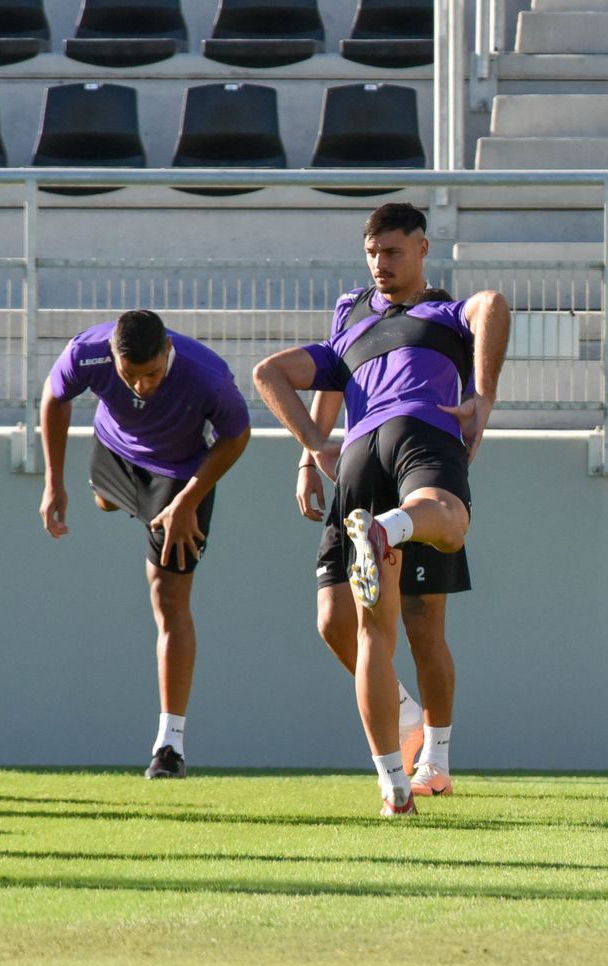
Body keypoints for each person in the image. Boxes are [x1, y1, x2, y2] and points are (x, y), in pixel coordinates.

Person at [254, 203, 511, 817]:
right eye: (372, 254)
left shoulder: (445, 313)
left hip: (408, 438)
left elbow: (493, 306)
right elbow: (298, 377)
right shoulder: (352, 314)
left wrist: (480, 396)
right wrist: (310, 452)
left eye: (392, 253)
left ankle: (424, 772)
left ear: (423, 248)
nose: (380, 265)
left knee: (416, 624)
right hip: (369, 453)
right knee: (349, 617)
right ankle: (401, 763)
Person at [39, 309, 251, 778]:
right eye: (129, 375)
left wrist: (188, 502)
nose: (140, 386)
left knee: (167, 596)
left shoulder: (206, 376)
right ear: (112, 357)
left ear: (168, 352)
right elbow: (55, 397)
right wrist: (54, 482)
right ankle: (118, 500)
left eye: (151, 374)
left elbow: (237, 436)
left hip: (178, 476)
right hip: (114, 454)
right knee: (104, 502)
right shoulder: (87, 354)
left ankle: (169, 747)